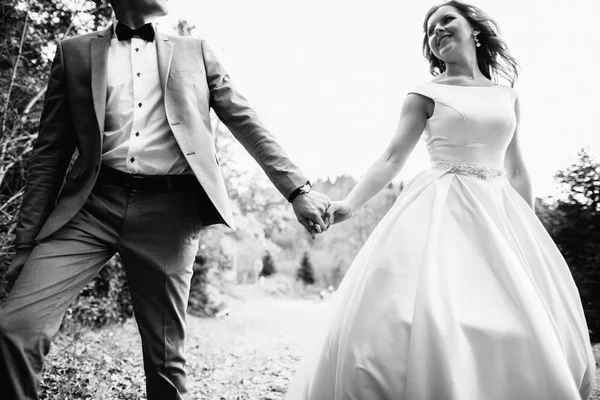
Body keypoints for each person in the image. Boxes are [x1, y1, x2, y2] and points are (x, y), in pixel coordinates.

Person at [0, 0, 330, 399]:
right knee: (14, 329)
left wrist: (298, 190)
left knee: (165, 361)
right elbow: (49, 153)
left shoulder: (196, 51)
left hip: (169, 215)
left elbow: (247, 121)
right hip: (89, 208)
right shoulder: (74, 52)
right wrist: (25, 242)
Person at [285, 1, 596, 399]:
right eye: (430, 29)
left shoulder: (508, 96)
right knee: (424, 308)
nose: (437, 30)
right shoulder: (424, 94)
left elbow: (517, 169)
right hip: (439, 203)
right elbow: (392, 157)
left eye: (447, 20)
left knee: (514, 313)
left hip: (499, 209)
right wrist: (349, 204)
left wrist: (529, 230)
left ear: (475, 30)